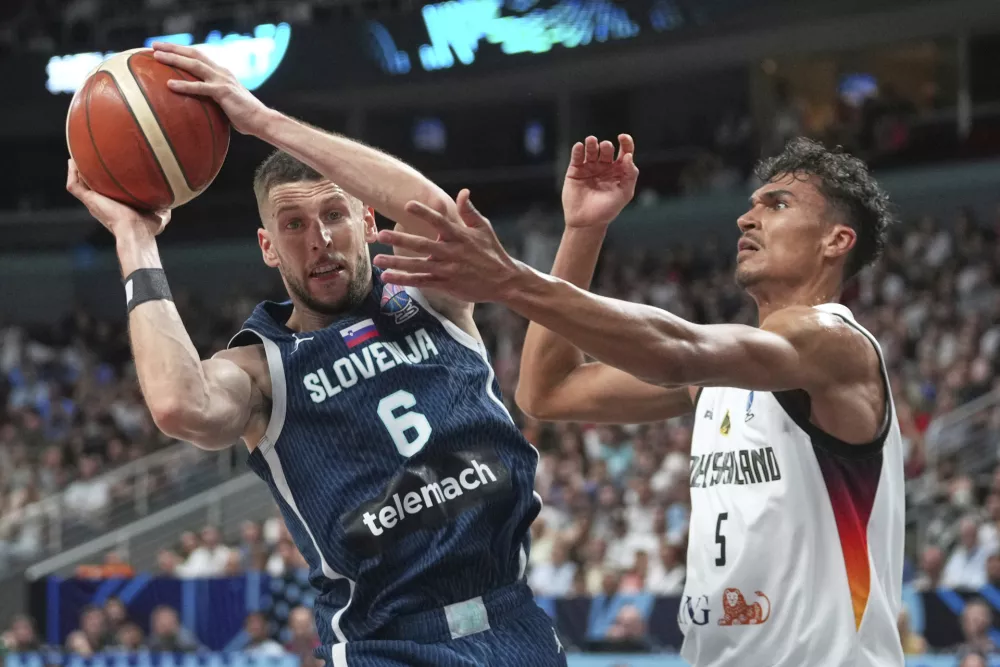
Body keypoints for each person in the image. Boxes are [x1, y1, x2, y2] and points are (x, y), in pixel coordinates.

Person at [66, 41, 562, 667]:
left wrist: (260, 121)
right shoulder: (262, 366)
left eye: (334, 213)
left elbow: (441, 218)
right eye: (293, 225)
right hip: (390, 645)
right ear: (268, 248)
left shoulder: (433, 296)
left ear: (367, 217)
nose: (320, 240)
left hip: (516, 623)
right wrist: (135, 238)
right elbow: (177, 405)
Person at [373, 136, 905, 666]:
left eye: (777, 204)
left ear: (836, 241)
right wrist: (583, 230)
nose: (747, 219)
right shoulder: (725, 373)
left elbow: (676, 351)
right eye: (751, 204)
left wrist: (510, 280)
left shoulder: (837, 345)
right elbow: (546, 391)